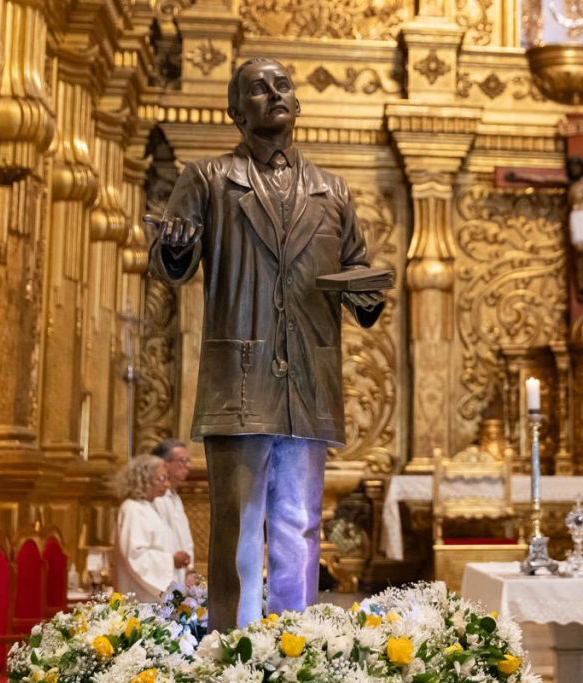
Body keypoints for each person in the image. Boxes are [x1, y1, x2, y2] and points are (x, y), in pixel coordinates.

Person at [145, 57, 385, 630]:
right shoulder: (207, 179)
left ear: (297, 104)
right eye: (257, 88)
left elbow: (357, 270)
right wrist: (177, 247)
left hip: (309, 371)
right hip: (240, 371)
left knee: (299, 521)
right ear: (235, 111)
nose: (274, 94)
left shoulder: (332, 190)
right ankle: (234, 644)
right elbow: (171, 263)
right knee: (236, 518)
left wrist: (368, 296)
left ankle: (295, 639)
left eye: (283, 85)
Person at [114, 454, 191, 602]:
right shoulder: (132, 509)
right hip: (140, 595)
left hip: (152, 594)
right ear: (144, 480)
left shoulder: (149, 508)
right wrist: (171, 560)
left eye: (167, 478)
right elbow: (135, 555)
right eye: (162, 479)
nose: (167, 484)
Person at [151, 439, 195, 583]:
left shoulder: (175, 498)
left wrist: (190, 570)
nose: (187, 466)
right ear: (165, 463)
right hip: (161, 575)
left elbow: (184, 539)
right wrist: (170, 559)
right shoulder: (154, 498)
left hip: (180, 574)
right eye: (183, 460)